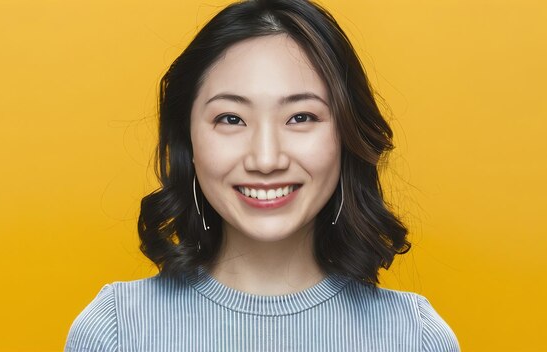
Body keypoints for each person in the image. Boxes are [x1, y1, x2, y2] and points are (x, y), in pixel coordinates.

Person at [64, 0, 460, 351]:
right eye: (231, 118)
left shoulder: (415, 337)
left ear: (346, 134)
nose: (266, 159)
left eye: (301, 117)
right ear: (188, 140)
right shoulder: (117, 333)